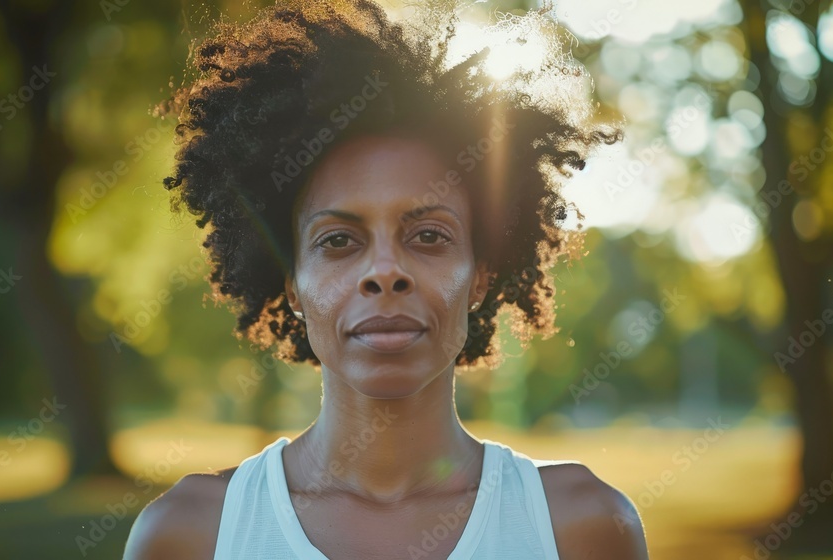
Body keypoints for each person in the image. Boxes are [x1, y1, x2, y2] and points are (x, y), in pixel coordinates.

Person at [124, 0, 648, 557]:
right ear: (292, 283)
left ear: (480, 276)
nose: (385, 273)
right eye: (339, 241)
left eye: (428, 236)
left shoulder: (583, 526)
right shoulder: (190, 534)